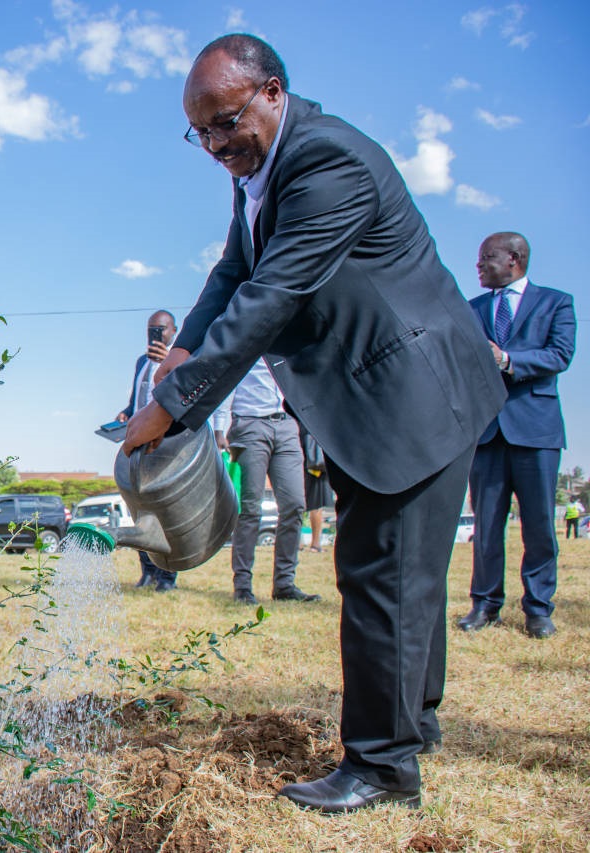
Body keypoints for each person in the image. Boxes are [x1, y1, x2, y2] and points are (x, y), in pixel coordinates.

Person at [122, 35, 505, 812]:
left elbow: (274, 293)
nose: (216, 147)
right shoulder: (262, 167)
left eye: (225, 123)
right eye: (200, 132)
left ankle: (383, 766)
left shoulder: (329, 162)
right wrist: (186, 345)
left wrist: (172, 403)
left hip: (414, 391)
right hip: (381, 394)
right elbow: (233, 269)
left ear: (271, 91)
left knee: (382, 576)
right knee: (405, 575)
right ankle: (414, 725)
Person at [458, 233, 575, 639]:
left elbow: (560, 355)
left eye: (485, 257)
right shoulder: (471, 310)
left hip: (536, 432)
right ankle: (484, 604)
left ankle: (538, 609)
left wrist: (507, 359)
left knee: (540, 526)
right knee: (486, 525)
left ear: (513, 259)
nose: (478, 265)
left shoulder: (556, 303)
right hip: (488, 433)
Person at [212, 359, 317, 605]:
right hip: (250, 424)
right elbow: (229, 379)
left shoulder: (288, 342)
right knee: (250, 509)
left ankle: (284, 584)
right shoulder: (250, 334)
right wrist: (219, 429)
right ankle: (243, 586)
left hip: (287, 424)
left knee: (295, 504)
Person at [114, 310, 180, 592]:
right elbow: (136, 401)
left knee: (166, 512)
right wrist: (125, 414)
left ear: (173, 332)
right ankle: (148, 571)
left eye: (162, 329)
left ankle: (167, 577)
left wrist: (168, 362)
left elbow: (183, 395)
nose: (156, 334)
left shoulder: (179, 360)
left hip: (165, 442)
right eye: (152, 329)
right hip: (139, 443)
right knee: (139, 511)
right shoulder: (141, 362)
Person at [299, 423, 333, 552]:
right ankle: (315, 544)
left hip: (299, 458)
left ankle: (298, 542)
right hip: (315, 463)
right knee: (316, 505)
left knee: (296, 503)